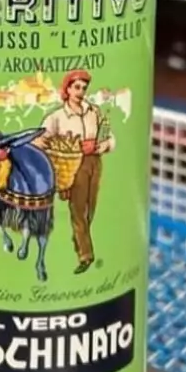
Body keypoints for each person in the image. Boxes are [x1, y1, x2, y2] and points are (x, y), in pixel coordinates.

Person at [39, 69, 113, 273]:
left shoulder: (94, 112)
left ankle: (79, 238)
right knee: (78, 211)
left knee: (91, 209)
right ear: (68, 89)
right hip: (73, 166)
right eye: (77, 87)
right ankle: (85, 255)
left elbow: (110, 139)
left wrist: (98, 147)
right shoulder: (57, 117)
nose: (81, 91)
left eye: (84, 88)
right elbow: (40, 140)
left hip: (94, 163)